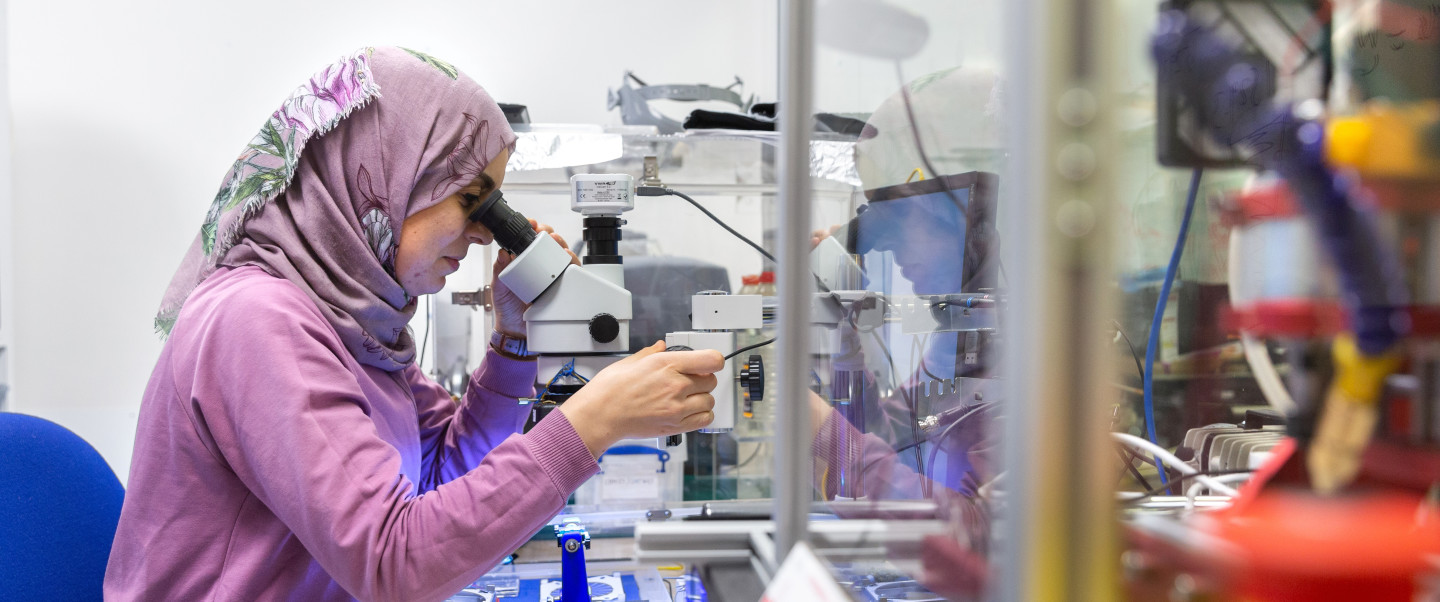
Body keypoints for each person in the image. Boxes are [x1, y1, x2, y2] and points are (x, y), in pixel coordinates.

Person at [104, 47, 722, 602]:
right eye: (469, 197)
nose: (484, 231)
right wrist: (593, 422)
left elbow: (445, 474)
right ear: (383, 174)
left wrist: (513, 345)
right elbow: (393, 562)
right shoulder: (256, 322)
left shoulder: (357, 327)